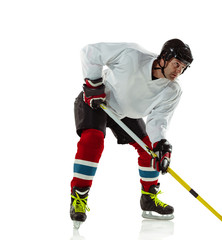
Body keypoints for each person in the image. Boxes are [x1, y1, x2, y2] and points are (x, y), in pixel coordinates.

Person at [70, 39, 193, 228]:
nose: (179, 71)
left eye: (183, 67)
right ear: (165, 58)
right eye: (176, 64)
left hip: (125, 113)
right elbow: (90, 52)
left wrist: (160, 143)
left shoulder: (172, 90)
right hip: (98, 101)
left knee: (150, 151)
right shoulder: (132, 55)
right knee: (93, 141)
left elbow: (158, 120)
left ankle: (149, 199)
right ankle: (79, 197)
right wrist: (93, 84)